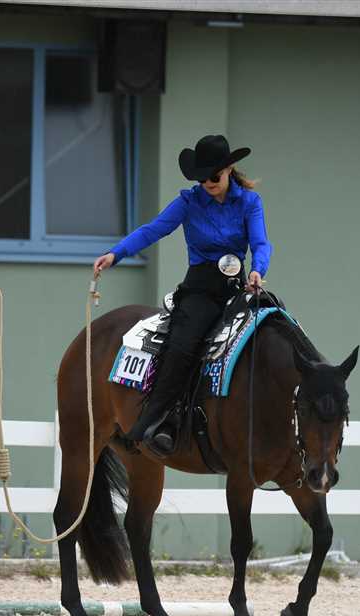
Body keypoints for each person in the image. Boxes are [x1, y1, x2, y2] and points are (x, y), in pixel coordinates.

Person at [93, 134, 272, 457]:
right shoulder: (189, 202)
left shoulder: (249, 202)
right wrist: (116, 253)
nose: (208, 183)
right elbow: (153, 229)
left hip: (239, 285)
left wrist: (258, 269)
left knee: (275, 330)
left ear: (228, 170)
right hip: (200, 288)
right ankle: (158, 420)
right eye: (201, 178)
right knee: (183, 344)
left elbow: (261, 243)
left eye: (213, 176)